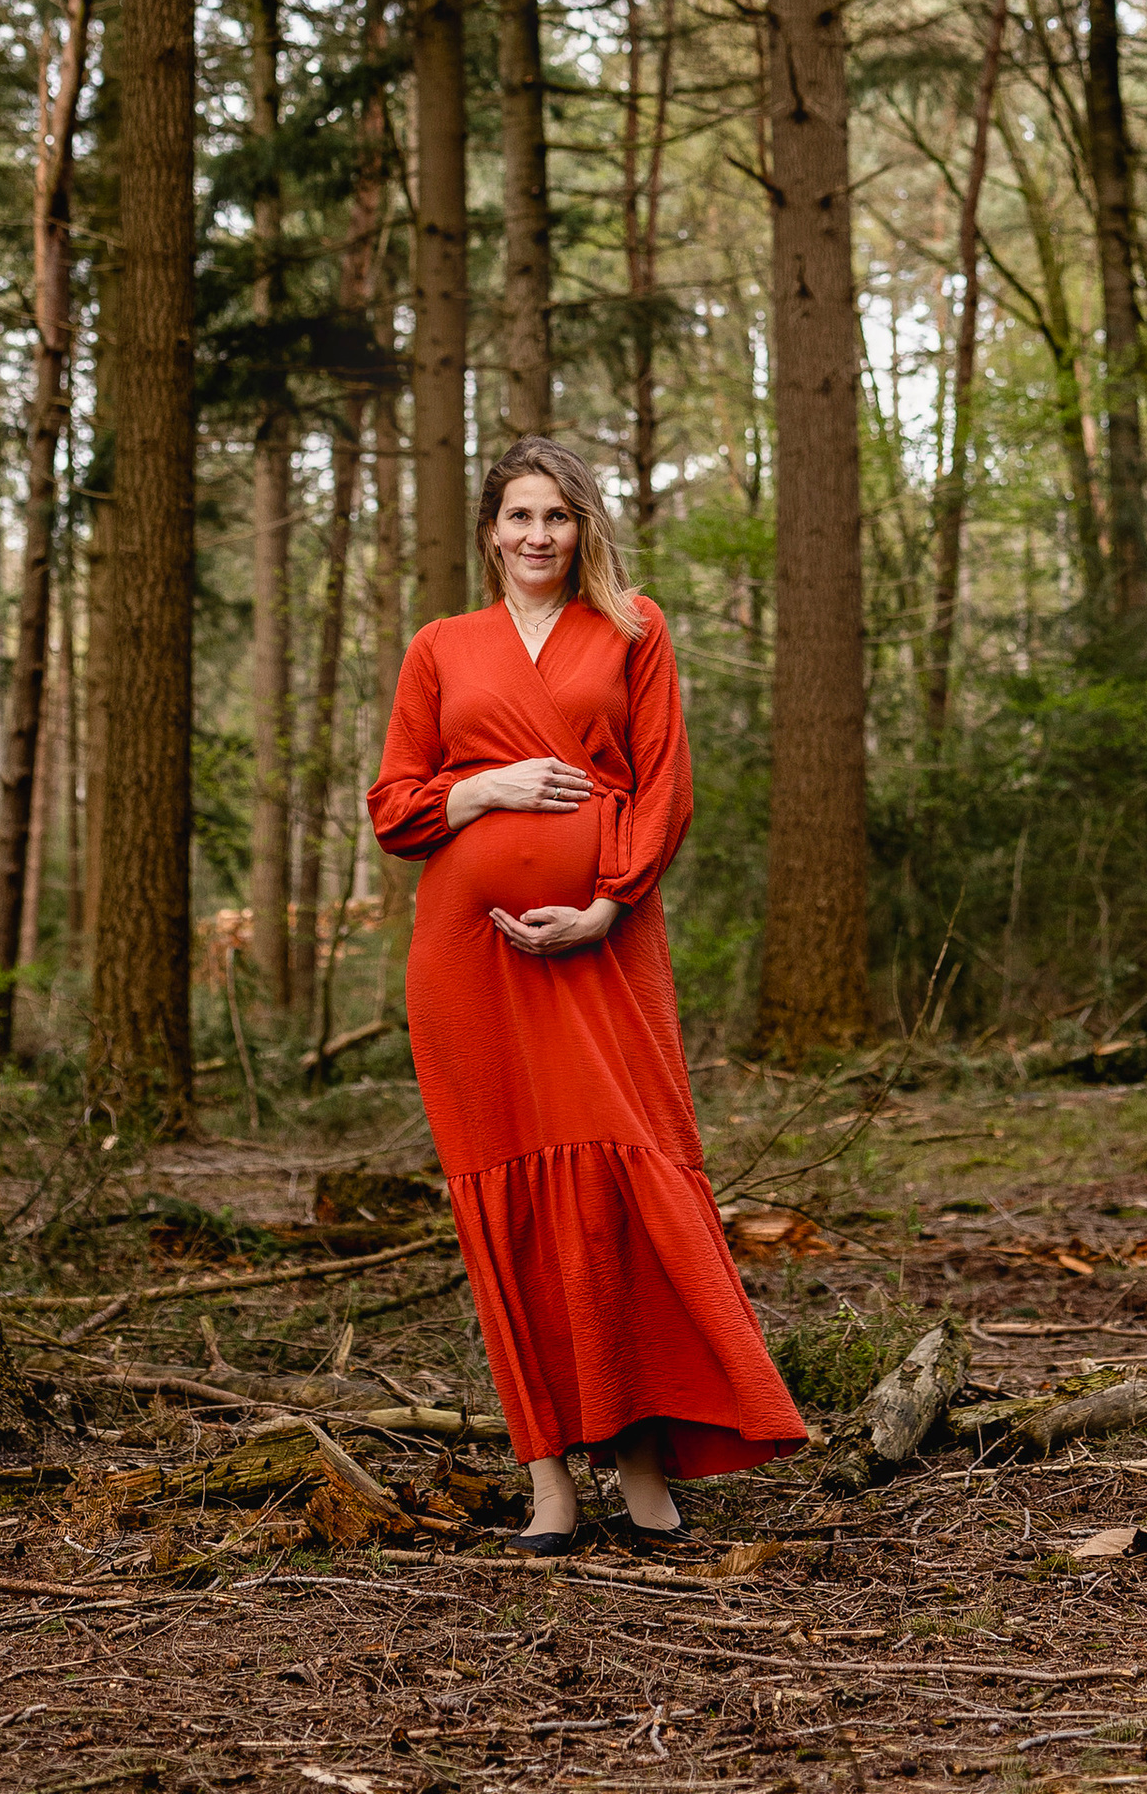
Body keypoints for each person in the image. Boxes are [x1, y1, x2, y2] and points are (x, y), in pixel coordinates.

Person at [366, 434, 807, 1552]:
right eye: (519, 515)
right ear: (490, 532)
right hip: (470, 964)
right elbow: (395, 806)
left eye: (556, 516)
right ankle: (549, 1483)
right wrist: (487, 790)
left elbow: (664, 783)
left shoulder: (633, 629)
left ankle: (644, 1466)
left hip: (604, 947)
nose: (537, 535)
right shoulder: (439, 646)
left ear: (583, 528)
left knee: (624, 1179)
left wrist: (607, 904)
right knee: (507, 1207)